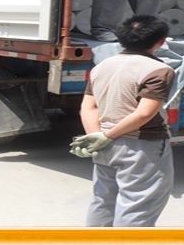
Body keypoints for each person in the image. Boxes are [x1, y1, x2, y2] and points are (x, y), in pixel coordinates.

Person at [70, 15, 175, 227]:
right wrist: (108, 136)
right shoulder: (159, 70)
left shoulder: (102, 66)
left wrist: (97, 136)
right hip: (141, 145)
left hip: (104, 143)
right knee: (138, 205)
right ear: (161, 42)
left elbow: (88, 106)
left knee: (103, 199)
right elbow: (144, 113)